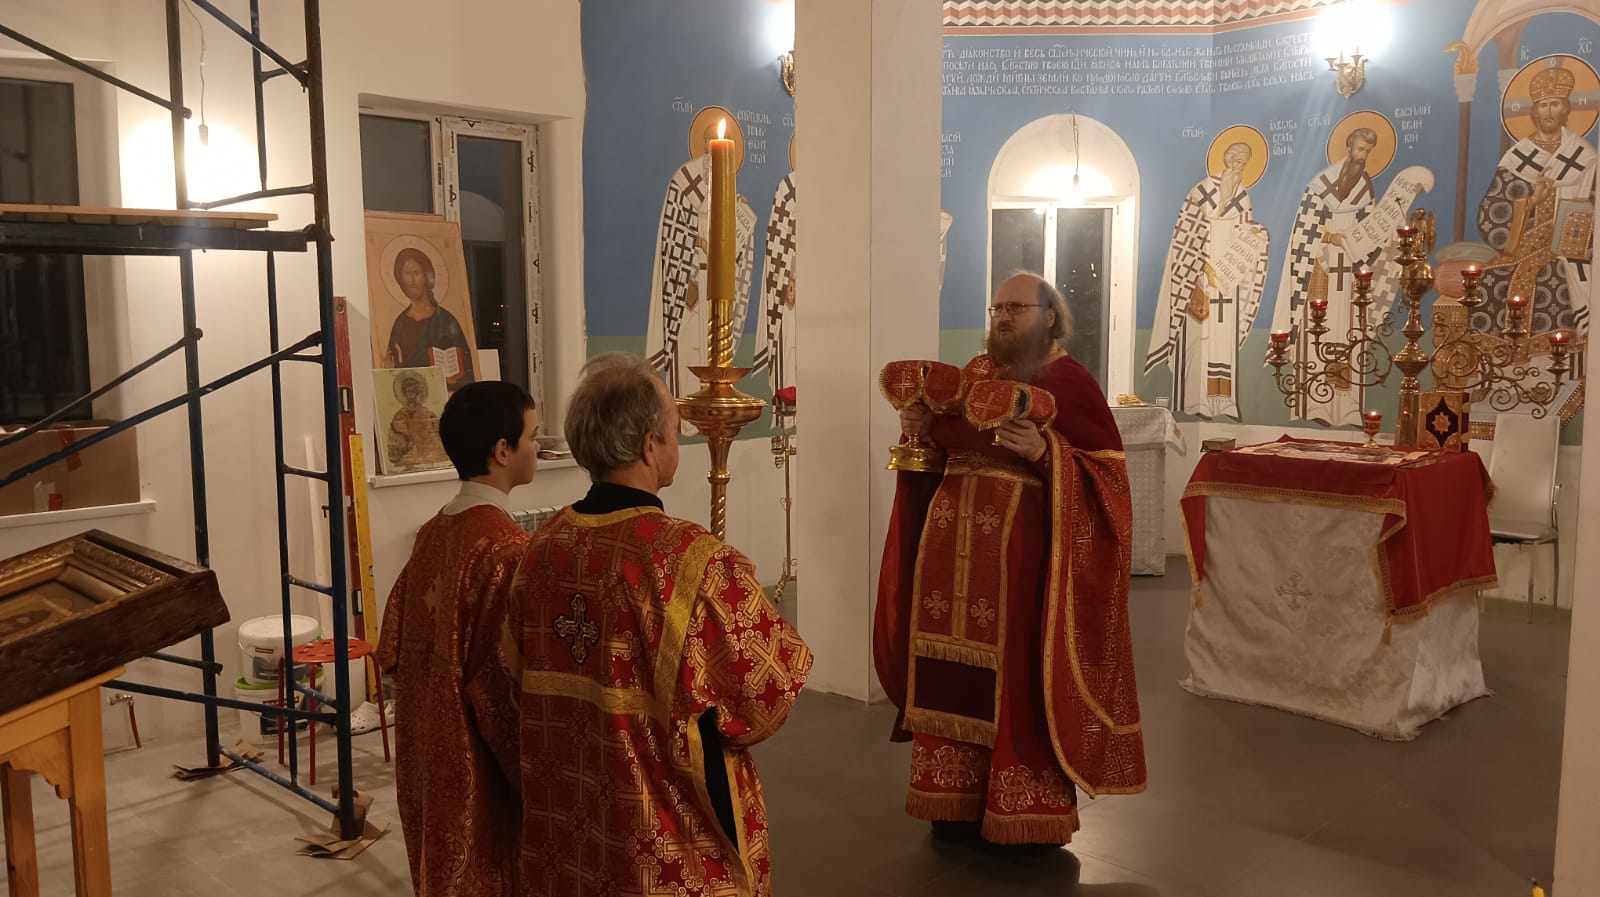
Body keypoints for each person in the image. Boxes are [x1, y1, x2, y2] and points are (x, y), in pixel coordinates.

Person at [489, 353, 811, 896]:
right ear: (648, 445)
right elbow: (764, 698)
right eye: (673, 429)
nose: (676, 440)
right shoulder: (690, 560)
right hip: (665, 840)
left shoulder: (542, 550)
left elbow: (515, 680)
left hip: (571, 830)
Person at [875, 273, 1145, 857]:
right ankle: (952, 801)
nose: (1002, 317)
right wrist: (920, 429)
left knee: (1015, 676)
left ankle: (1021, 808)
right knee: (947, 670)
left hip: (1020, 564)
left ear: (1049, 316)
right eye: (997, 307)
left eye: (1016, 308)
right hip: (949, 555)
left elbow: (1110, 484)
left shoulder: (1071, 382)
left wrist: (1047, 453)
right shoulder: (975, 374)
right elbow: (947, 441)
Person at [376, 380, 540, 897]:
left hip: (424, 743)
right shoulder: (506, 548)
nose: (539, 446)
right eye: (533, 435)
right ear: (502, 450)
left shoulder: (432, 533)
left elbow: (391, 643)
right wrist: (534, 767)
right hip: (475, 754)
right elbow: (502, 683)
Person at [1267, 122, 1431, 425]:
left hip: (1350, 274)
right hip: (1320, 270)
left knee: (1347, 333)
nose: (1362, 156)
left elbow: (1373, 233)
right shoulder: (1319, 185)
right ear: (1348, 148)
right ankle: (1313, 405)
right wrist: (1331, 237)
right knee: (1317, 332)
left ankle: (1344, 408)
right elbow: (1304, 231)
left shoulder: (1364, 188)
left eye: (1368, 152)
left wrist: (1397, 229)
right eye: (1359, 149)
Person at [1145, 139, 1270, 421]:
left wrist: (1256, 236)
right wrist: (1202, 267)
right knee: (1197, 337)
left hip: (1227, 282)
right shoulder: (1200, 191)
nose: (1238, 169)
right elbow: (1185, 235)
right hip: (1198, 278)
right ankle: (1194, 400)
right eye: (1235, 162)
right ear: (1225, 160)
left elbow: (1245, 234)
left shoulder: (1243, 196)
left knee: (1224, 340)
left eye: (1243, 164)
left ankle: (1223, 402)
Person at [1477, 60, 1594, 339]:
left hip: (1572, 247)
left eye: (1555, 104)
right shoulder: (1517, 157)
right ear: (1534, 112)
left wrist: (1574, 231)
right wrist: (1530, 202)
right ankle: (1504, 354)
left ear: (1566, 110)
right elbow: (1490, 210)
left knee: (1556, 273)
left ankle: (1558, 353)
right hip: (1523, 244)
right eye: (1543, 105)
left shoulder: (1584, 157)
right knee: (1490, 276)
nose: (1549, 112)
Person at [386, 247, 476, 388]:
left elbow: (466, 368)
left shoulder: (446, 321)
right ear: (400, 279)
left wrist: (455, 379)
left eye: (416, 273)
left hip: (440, 392)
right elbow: (392, 363)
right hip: (408, 391)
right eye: (407, 274)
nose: (412, 280)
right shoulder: (400, 322)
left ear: (427, 277)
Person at [385, 369, 449, 470]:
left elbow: (437, 438)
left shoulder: (427, 413)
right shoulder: (400, 415)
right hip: (409, 461)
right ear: (404, 393)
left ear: (417, 392)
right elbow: (395, 444)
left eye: (413, 391)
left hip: (429, 459)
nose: (411, 394)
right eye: (408, 391)